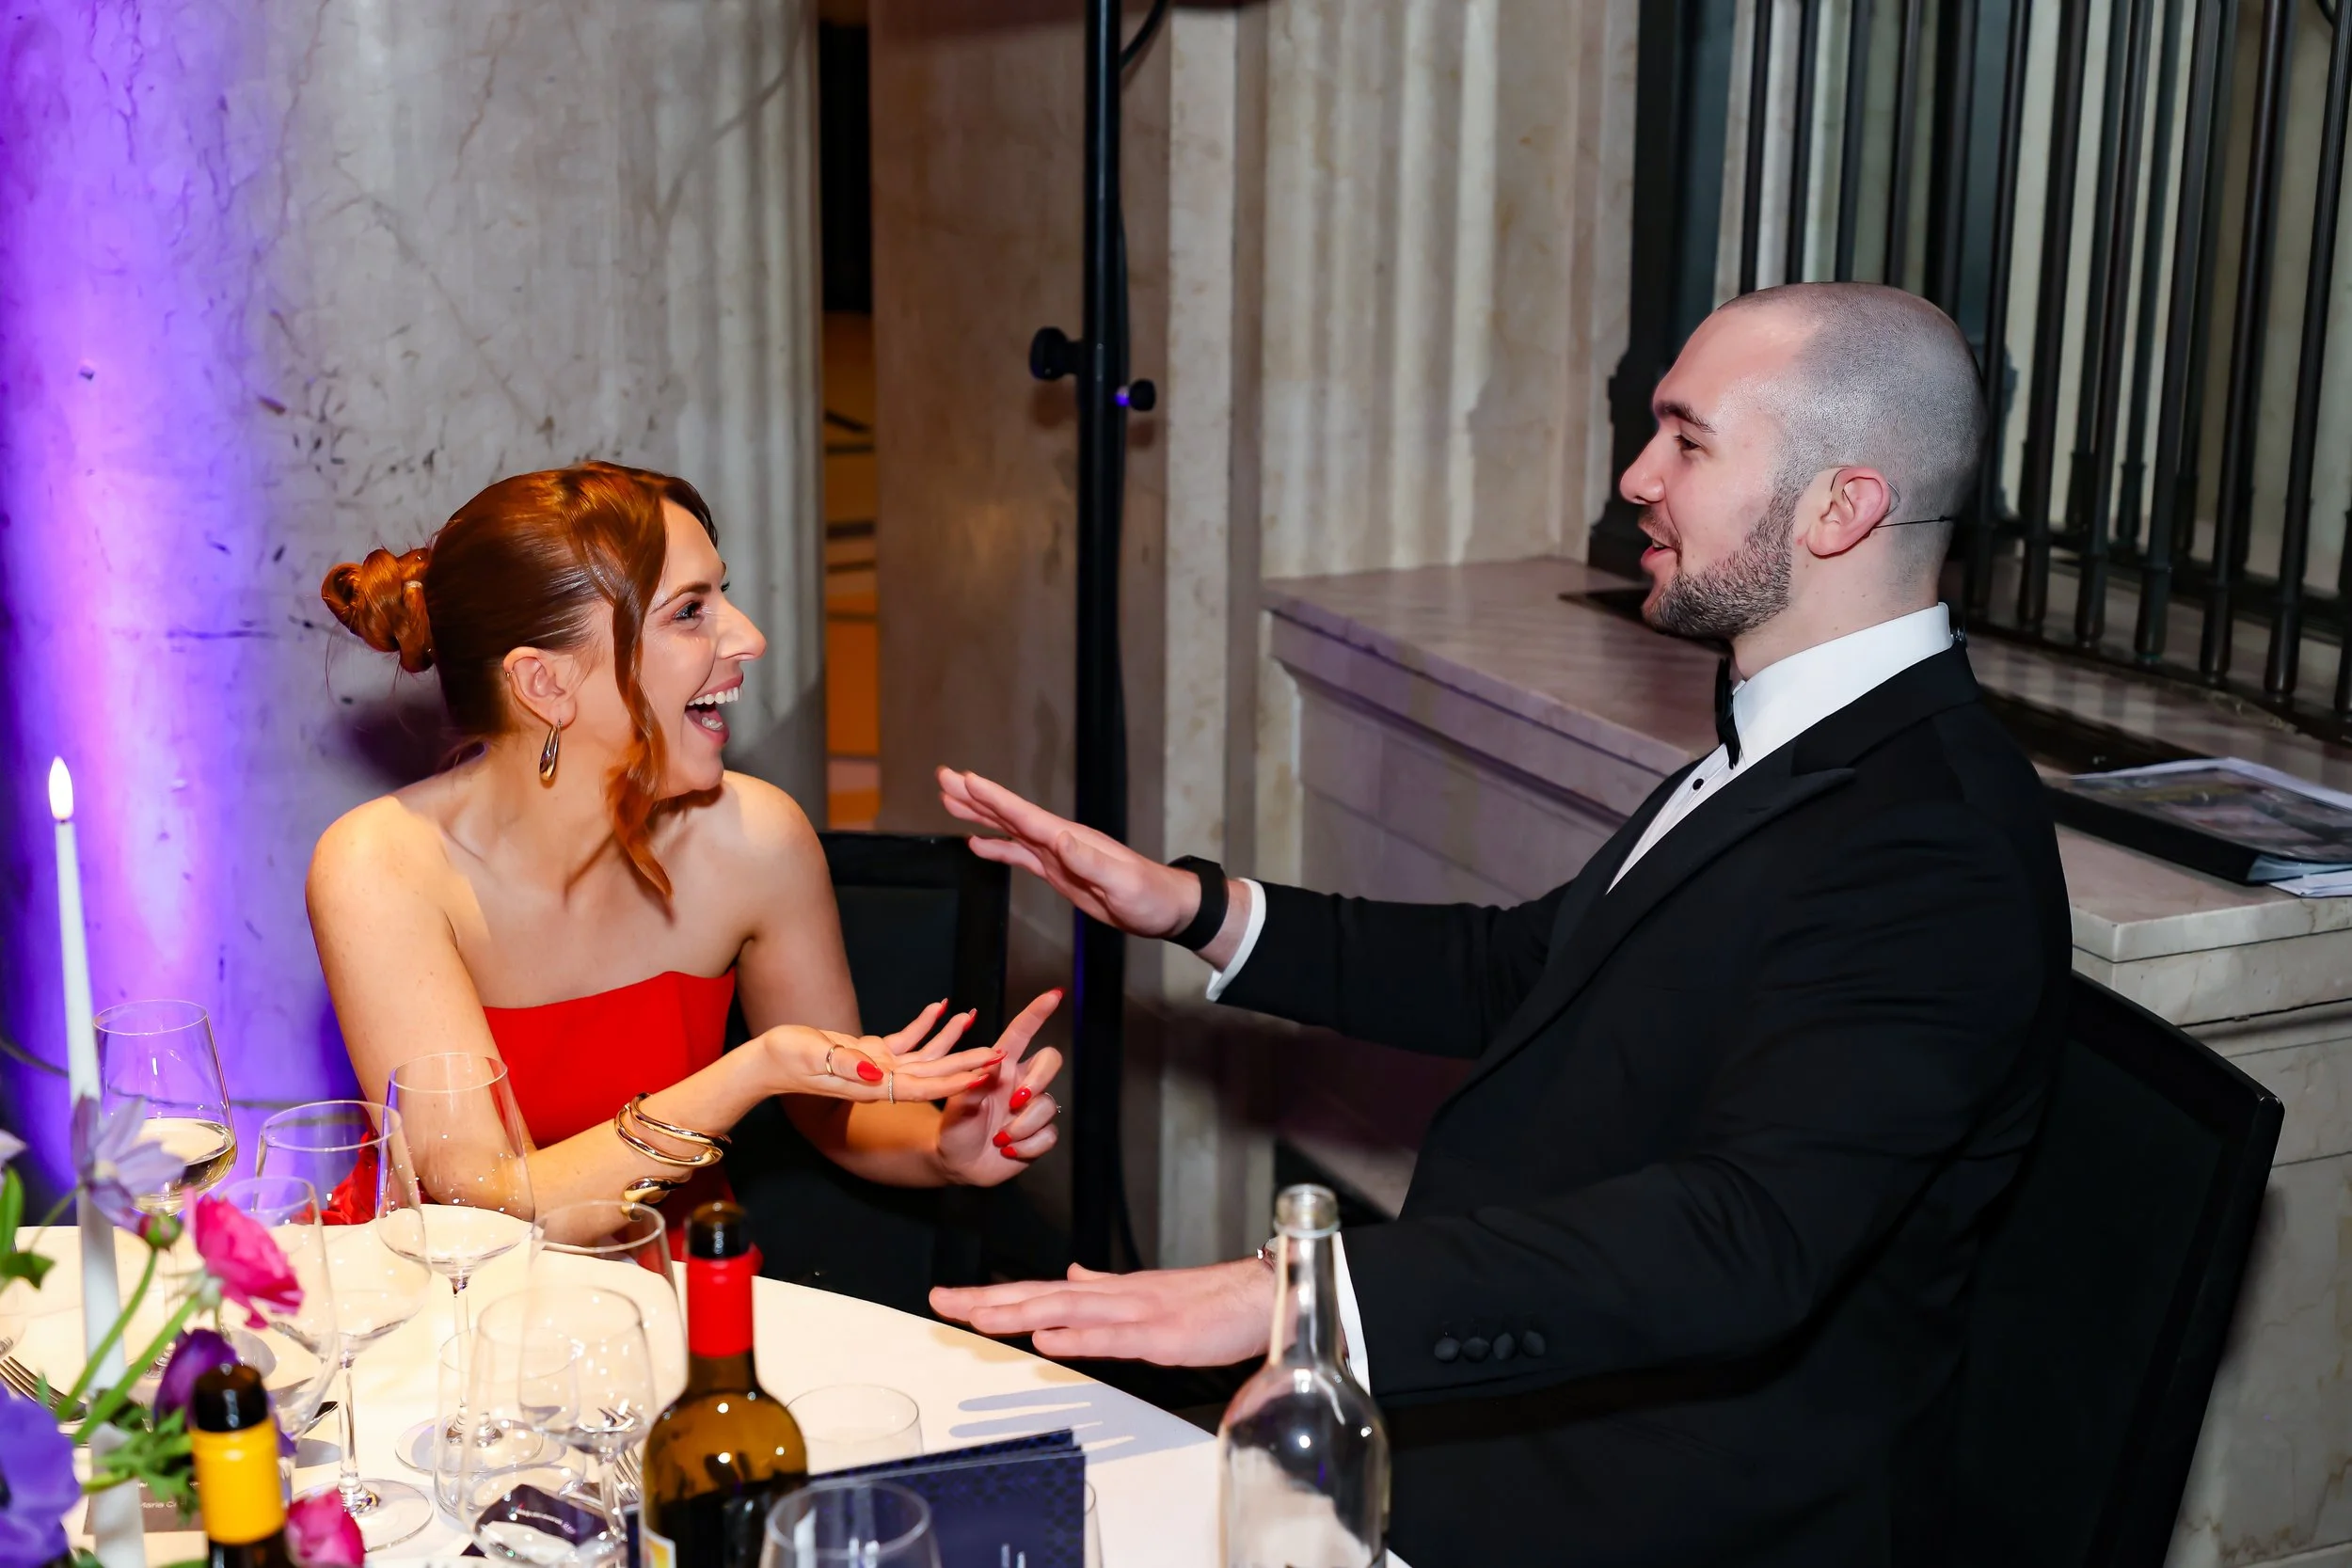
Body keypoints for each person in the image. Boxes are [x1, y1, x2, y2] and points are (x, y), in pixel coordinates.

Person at [930, 284, 2070, 1567]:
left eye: (1688, 443)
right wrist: (1195, 905)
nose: (1637, 476)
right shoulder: (1799, 732)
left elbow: (1742, 1239)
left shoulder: (1935, 842)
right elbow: (1532, 966)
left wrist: (1302, 1298)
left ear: (1839, 506)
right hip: (1548, 1405)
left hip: (1668, 1498)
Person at [310, 461, 1064, 1234]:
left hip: (669, 1283)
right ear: (544, 684)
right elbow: (483, 1206)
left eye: (722, 595)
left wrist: (944, 1144)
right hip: (438, 1310)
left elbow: (833, 1113)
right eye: (690, 612)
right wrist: (752, 1070)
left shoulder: (755, 839)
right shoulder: (381, 866)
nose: (751, 637)